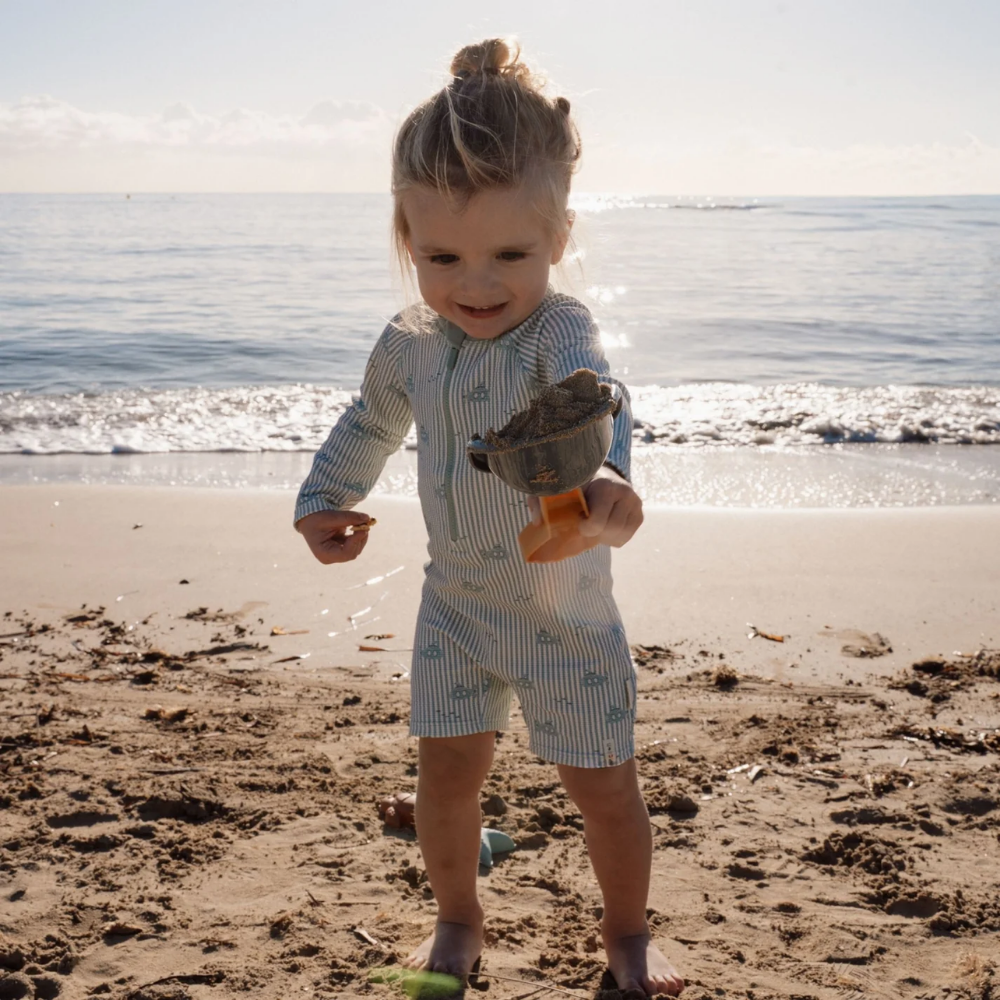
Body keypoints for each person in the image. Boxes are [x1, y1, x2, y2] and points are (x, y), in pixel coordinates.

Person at [294, 38, 684, 998]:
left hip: (564, 615)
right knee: (446, 779)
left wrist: (610, 489)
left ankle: (628, 934)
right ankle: (458, 919)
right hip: (457, 607)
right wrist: (324, 499)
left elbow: (600, 407)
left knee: (603, 789)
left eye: (511, 254)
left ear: (559, 235)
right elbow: (370, 421)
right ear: (406, 240)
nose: (475, 284)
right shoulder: (411, 342)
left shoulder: (558, 332)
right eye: (442, 257)